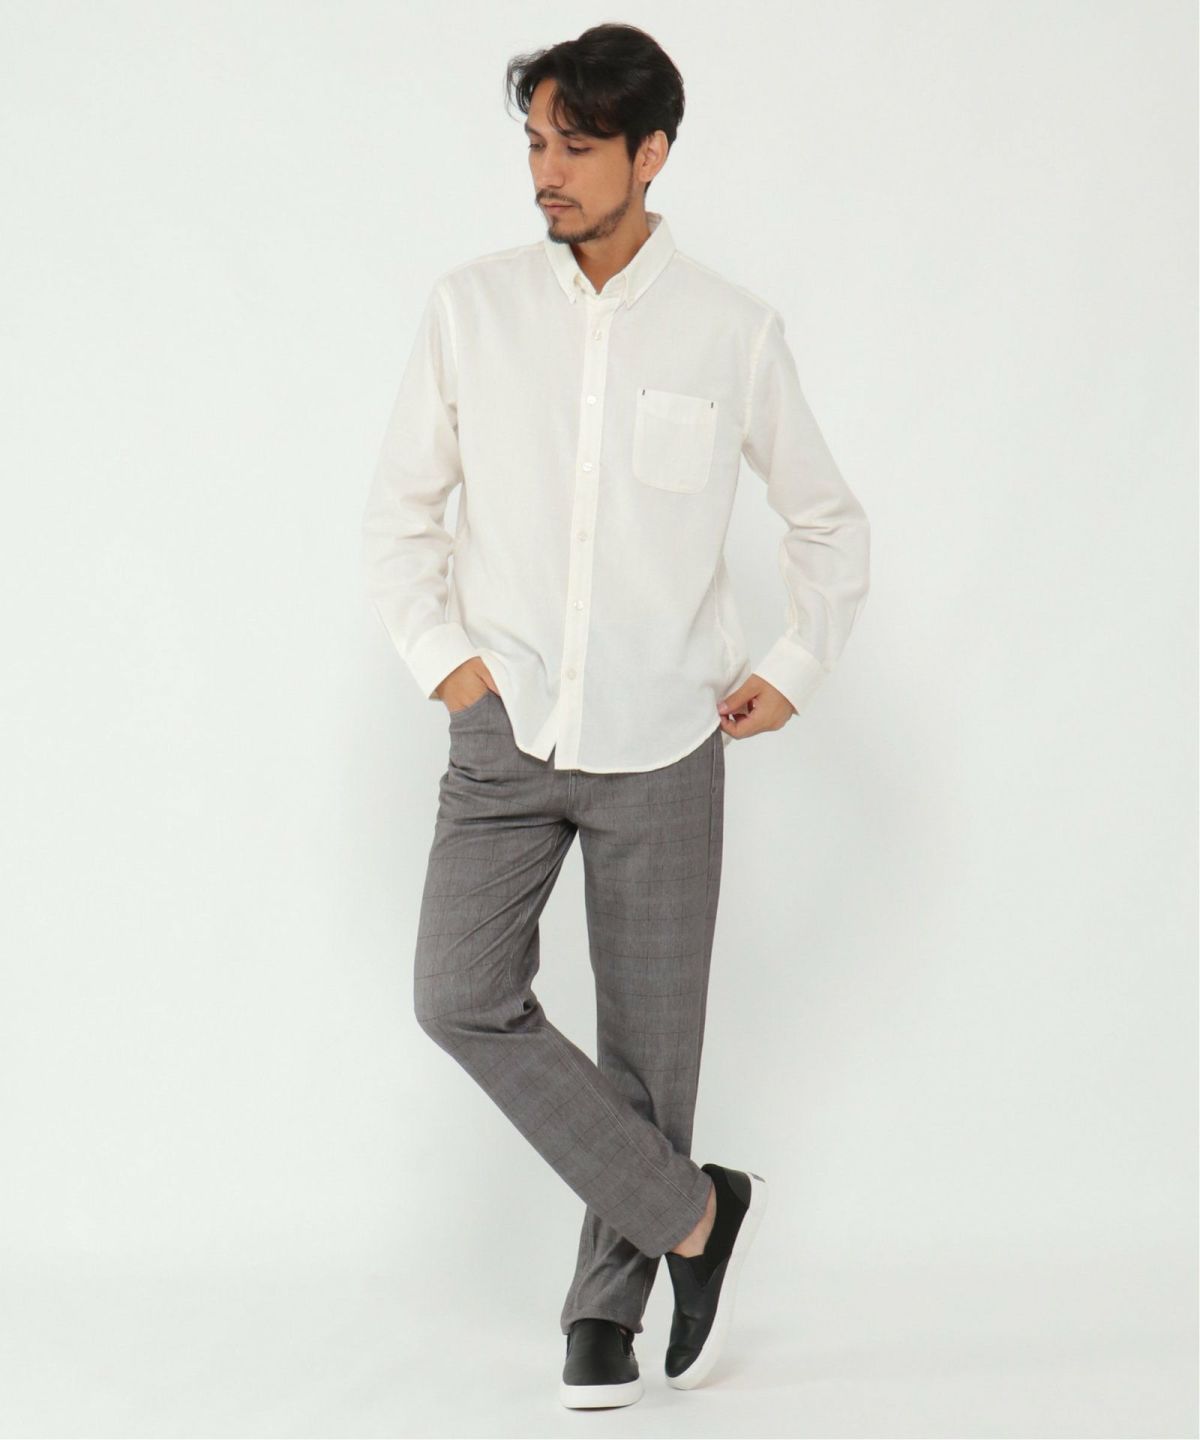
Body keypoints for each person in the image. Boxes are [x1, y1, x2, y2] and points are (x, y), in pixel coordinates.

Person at [361, 21, 870, 1410]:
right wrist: (452, 670)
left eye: (577, 146)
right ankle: (697, 1213)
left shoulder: (730, 329)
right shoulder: (470, 309)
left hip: (667, 739)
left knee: (653, 1051)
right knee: (458, 995)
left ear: (652, 153)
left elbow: (828, 522)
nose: (547, 170)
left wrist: (797, 663)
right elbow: (400, 517)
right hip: (505, 730)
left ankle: (605, 1312)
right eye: (536, 141)